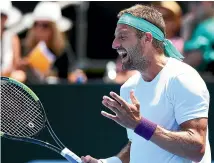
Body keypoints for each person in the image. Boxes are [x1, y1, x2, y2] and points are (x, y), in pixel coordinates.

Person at [81, 5, 211, 163]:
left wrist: (140, 125)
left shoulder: (182, 78)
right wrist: (108, 162)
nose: (114, 44)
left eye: (122, 37)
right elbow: (140, 143)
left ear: (147, 39)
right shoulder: (128, 88)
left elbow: (196, 149)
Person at [20, 1, 87, 84]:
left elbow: (73, 73)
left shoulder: (63, 52)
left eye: (45, 25)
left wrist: (76, 76)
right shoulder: (25, 48)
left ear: (55, 29)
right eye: (36, 24)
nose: (39, 29)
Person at [182, 2, 214, 76]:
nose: (193, 6)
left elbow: (195, 57)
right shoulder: (196, 24)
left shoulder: (207, 26)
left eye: (198, 2)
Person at [0, 0, 26, 82]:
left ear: (6, 18)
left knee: (19, 75)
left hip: (6, 81)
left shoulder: (12, 38)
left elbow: (16, 64)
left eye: (1, 15)